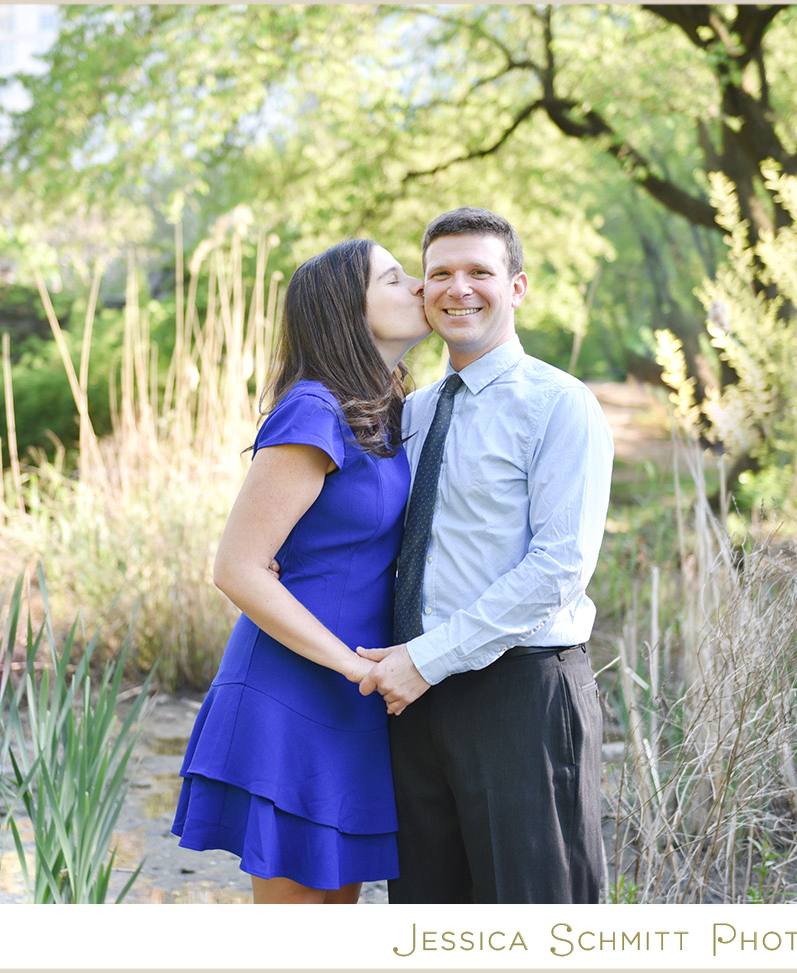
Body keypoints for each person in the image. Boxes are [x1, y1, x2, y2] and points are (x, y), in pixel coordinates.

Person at [356, 206, 614, 904]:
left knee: (535, 912)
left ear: (518, 287)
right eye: (439, 272)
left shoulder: (561, 405)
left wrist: (426, 657)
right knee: (426, 913)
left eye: (480, 272)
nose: (457, 288)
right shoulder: (410, 411)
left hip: (519, 695)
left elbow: (559, 567)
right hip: (416, 701)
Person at [172, 238, 431, 904]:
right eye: (396, 279)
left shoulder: (389, 412)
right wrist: (352, 665)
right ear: (350, 308)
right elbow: (237, 567)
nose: (419, 286)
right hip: (293, 690)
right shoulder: (313, 409)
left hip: (355, 699)